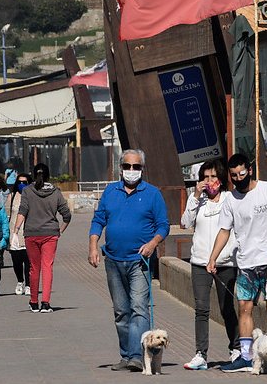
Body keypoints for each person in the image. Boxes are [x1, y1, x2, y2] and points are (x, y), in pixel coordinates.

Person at [208, 153, 267, 373]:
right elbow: (224, 231)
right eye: (234, 175)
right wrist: (212, 257)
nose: (238, 178)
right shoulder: (230, 200)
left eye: (242, 173)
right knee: (244, 308)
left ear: (250, 170)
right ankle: (246, 357)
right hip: (246, 262)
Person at [89, 149, 169, 373]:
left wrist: (153, 243)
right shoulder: (110, 192)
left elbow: (163, 225)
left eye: (136, 167)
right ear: (120, 167)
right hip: (113, 260)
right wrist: (93, 246)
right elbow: (98, 220)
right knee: (121, 311)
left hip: (139, 262)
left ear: (142, 169)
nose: (131, 171)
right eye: (127, 166)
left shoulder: (152, 194)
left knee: (139, 308)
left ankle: (137, 355)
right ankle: (126, 355)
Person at [181, 159, 240, 370]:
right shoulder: (197, 200)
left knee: (227, 309)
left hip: (225, 263)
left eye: (213, 177)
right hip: (199, 262)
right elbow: (185, 223)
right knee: (201, 309)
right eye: (205, 177)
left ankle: (236, 350)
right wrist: (196, 196)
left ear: (222, 179)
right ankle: (200, 354)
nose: (209, 181)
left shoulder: (230, 199)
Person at [13, 163, 71, 313]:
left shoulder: (27, 191)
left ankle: (33, 301)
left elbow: (22, 211)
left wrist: (15, 231)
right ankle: (45, 302)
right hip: (50, 234)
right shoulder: (55, 192)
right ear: (48, 175)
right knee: (47, 267)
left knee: (34, 268)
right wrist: (60, 230)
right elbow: (67, 215)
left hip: (31, 233)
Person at [6, 173, 31, 296]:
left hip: (28, 232)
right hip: (14, 233)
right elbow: (6, 215)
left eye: (25, 182)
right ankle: (20, 281)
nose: (22, 185)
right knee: (16, 261)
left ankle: (28, 284)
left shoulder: (32, 196)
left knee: (28, 261)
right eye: (19, 182)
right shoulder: (12, 196)